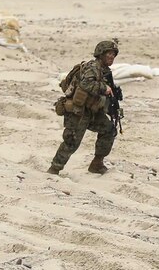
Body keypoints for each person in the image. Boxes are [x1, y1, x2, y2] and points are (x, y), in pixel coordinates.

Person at [50, 40, 121, 175]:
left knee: (109, 129)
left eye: (113, 54)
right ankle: (54, 169)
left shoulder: (104, 71)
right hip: (79, 112)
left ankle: (97, 164)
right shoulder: (93, 67)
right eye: (109, 54)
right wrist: (103, 87)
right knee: (71, 142)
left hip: (92, 111)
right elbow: (85, 85)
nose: (111, 57)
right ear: (101, 54)